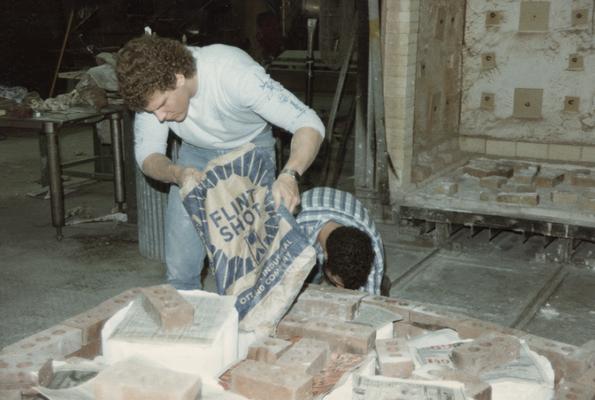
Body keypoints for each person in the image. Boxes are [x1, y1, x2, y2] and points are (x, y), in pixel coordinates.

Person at [116, 35, 325, 290]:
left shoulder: (233, 73)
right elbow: (147, 156)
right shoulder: (152, 90)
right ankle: (186, 318)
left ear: (179, 77)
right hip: (194, 154)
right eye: (152, 112)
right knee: (180, 263)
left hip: (250, 149)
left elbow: (308, 122)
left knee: (255, 263)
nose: (159, 118)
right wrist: (176, 173)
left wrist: (290, 174)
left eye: (162, 106)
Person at [295, 187, 389, 295]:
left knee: (364, 288)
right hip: (304, 237)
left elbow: (371, 297)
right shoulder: (296, 228)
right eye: (337, 283)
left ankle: (381, 281)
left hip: (340, 213)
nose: (340, 290)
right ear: (325, 255)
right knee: (303, 289)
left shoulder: (373, 245)